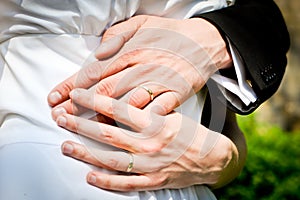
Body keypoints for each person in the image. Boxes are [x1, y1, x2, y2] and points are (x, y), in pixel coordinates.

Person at [0, 1, 289, 200]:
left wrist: (222, 160)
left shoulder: (232, 18)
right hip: (45, 177)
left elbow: (226, 134)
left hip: (188, 190)